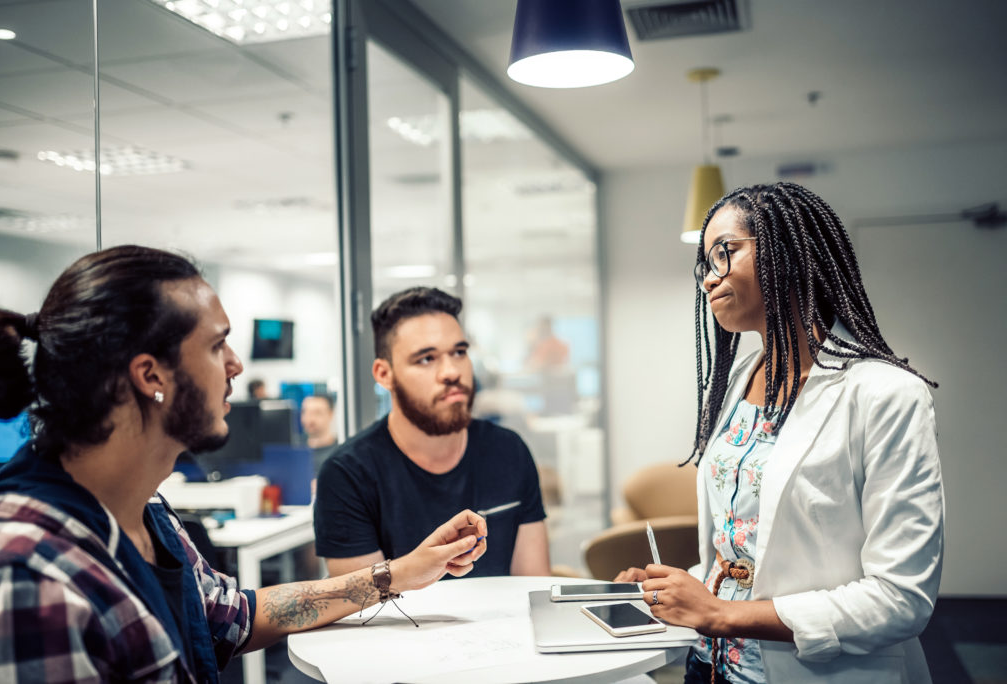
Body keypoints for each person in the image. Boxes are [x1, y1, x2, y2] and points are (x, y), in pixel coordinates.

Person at [0, 246, 488, 682]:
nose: (236, 365)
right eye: (216, 344)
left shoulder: (146, 513)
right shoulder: (28, 574)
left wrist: (398, 574)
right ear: (150, 374)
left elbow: (235, 618)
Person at [615, 183, 943, 684]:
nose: (708, 279)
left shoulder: (884, 394)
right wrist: (681, 590)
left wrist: (720, 614)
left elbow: (901, 599)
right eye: (705, 263)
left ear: (787, 253)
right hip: (710, 666)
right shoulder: (736, 382)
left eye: (724, 253)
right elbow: (745, 549)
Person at [314, 287, 551, 578]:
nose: (451, 371)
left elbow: (532, 587)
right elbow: (363, 612)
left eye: (459, 352)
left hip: (506, 623)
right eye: (426, 359)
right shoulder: (347, 474)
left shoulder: (509, 451)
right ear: (384, 374)